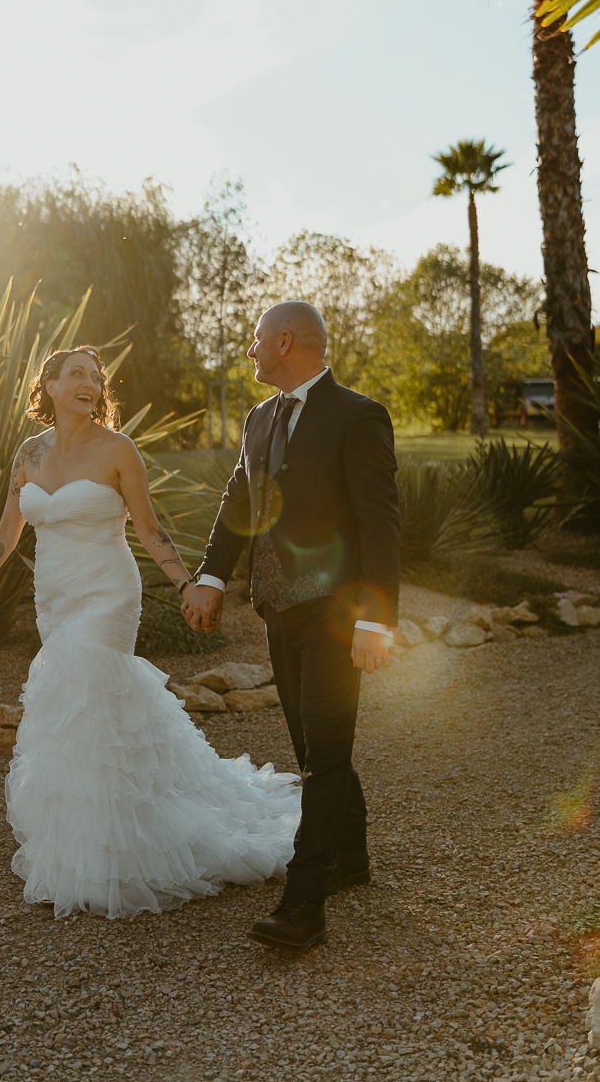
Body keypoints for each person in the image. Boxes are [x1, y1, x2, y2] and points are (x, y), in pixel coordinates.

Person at [0, 344, 302, 920]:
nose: (89, 383)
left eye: (96, 376)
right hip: (55, 598)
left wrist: (189, 586)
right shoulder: (29, 454)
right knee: (77, 714)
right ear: (51, 386)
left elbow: (150, 530)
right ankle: (79, 853)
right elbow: (6, 534)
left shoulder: (118, 450)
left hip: (107, 594)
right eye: (77, 374)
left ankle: (117, 859)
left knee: (83, 684)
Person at [182, 302, 400, 952]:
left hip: (336, 613)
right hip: (278, 608)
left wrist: (375, 618)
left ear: (284, 342)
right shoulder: (259, 418)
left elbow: (379, 522)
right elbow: (238, 501)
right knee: (312, 747)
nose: (249, 351)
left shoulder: (358, 416)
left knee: (325, 754)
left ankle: (304, 906)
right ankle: (350, 859)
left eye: (256, 340)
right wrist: (211, 576)